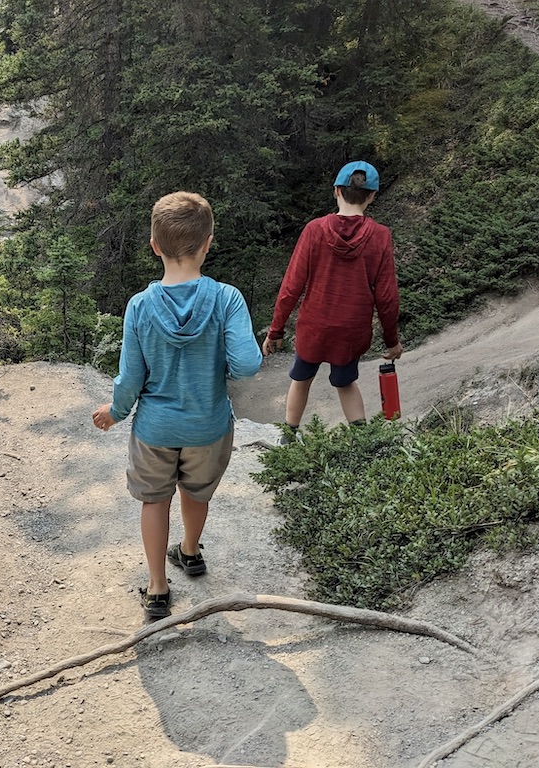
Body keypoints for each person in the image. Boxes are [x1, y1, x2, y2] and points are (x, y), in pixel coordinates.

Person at [92, 192, 263, 619]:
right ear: (208, 243)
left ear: (154, 246)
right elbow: (245, 365)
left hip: (155, 429)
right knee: (196, 491)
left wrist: (116, 411)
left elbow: (131, 377)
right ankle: (189, 552)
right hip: (208, 426)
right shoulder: (227, 299)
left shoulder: (139, 306)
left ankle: (157, 589)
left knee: (155, 500)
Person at [261, 160, 402, 438]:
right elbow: (387, 296)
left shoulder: (314, 230)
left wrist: (275, 330)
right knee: (346, 383)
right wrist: (391, 340)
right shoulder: (380, 236)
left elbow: (291, 286)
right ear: (372, 196)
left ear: (336, 190)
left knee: (300, 379)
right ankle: (362, 445)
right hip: (351, 329)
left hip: (315, 326)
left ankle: (288, 439)